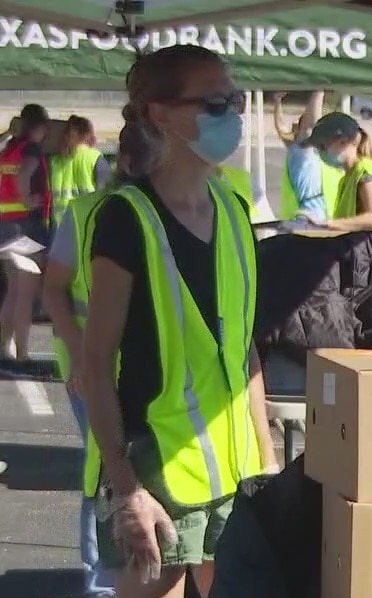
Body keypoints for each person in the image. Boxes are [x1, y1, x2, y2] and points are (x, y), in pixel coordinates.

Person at [81, 44, 278, 598]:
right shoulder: (127, 218)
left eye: (234, 100)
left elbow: (244, 351)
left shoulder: (235, 210)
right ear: (159, 115)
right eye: (214, 103)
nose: (232, 114)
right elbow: (95, 366)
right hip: (158, 474)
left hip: (236, 474)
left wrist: (266, 461)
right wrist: (126, 489)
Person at [42, 122, 153, 598]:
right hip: (95, 368)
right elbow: (54, 288)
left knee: (141, 469)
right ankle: (99, 580)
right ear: (126, 163)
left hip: (147, 369)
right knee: (102, 467)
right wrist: (83, 360)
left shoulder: (175, 212)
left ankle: (139, 569)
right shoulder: (86, 213)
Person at [0, 103, 52, 361]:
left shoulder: (9, 148)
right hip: (27, 228)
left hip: (6, 226)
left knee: (12, 290)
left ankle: (3, 347)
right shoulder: (30, 149)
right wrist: (27, 197)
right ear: (40, 127)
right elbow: (25, 174)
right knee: (26, 293)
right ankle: (22, 351)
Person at [299, 112, 372, 233]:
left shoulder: (365, 172)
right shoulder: (348, 177)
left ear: (344, 142)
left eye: (322, 147)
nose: (320, 153)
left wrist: (329, 224)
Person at [274, 91, 343, 222]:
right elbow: (310, 125)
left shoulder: (303, 152)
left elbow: (281, 128)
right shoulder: (302, 149)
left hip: (318, 217)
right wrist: (319, 91)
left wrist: (277, 102)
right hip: (310, 218)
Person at [49, 115, 110, 227]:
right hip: (86, 224)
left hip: (60, 226)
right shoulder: (95, 158)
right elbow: (106, 198)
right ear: (88, 135)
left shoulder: (55, 162)